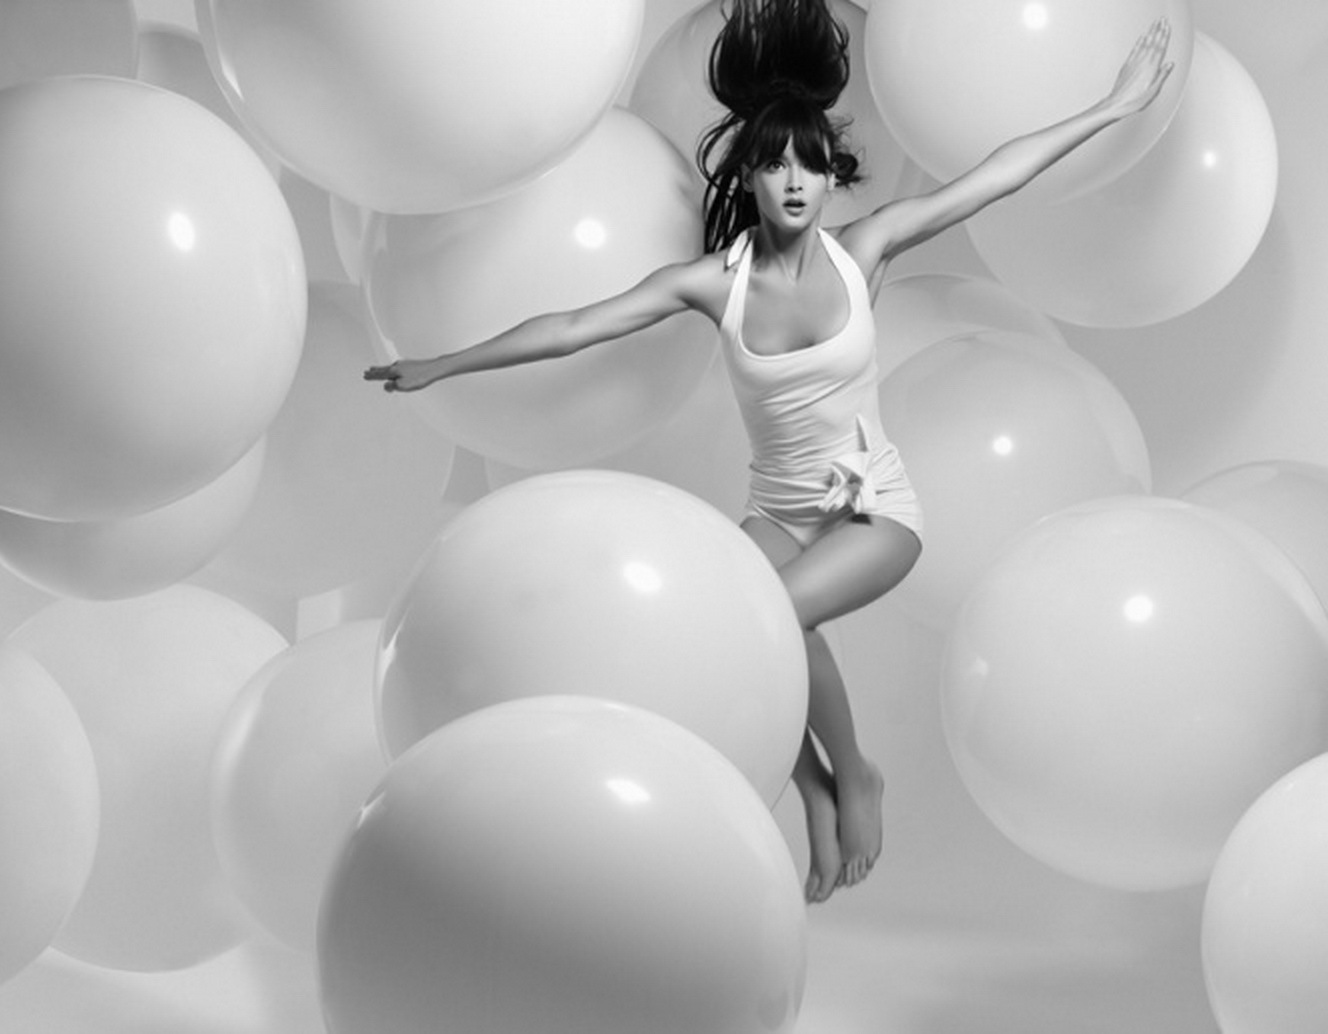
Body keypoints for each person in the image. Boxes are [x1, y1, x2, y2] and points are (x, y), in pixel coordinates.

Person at [365, 1, 1174, 903]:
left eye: (811, 165)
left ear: (832, 177)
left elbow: (993, 177)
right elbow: (573, 326)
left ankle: (855, 774)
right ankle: (817, 788)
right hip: (778, 515)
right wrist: (442, 364)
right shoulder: (715, 283)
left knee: (770, 621)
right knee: (738, 634)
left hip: (870, 511)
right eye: (776, 164)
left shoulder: (865, 251)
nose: (795, 182)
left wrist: (1114, 105)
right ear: (748, 174)